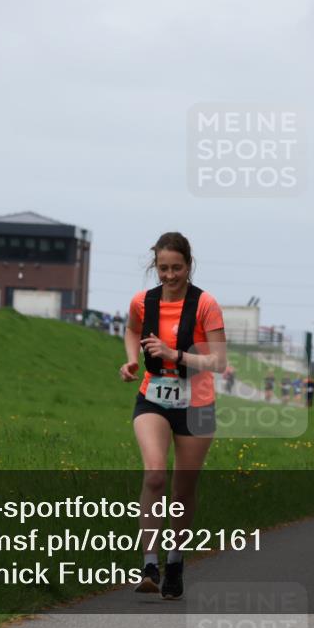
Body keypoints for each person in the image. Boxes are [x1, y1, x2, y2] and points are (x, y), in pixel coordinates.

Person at [119, 232, 227, 599]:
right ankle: (149, 564)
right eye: (163, 268)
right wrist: (132, 359)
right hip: (153, 397)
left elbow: (219, 361)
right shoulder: (142, 301)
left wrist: (173, 354)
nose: (169, 275)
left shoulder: (205, 304)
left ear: (188, 265)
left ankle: (175, 561)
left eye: (176, 268)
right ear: (155, 266)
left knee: (183, 488)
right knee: (154, 475)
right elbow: (132, 330)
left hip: (197, 404)